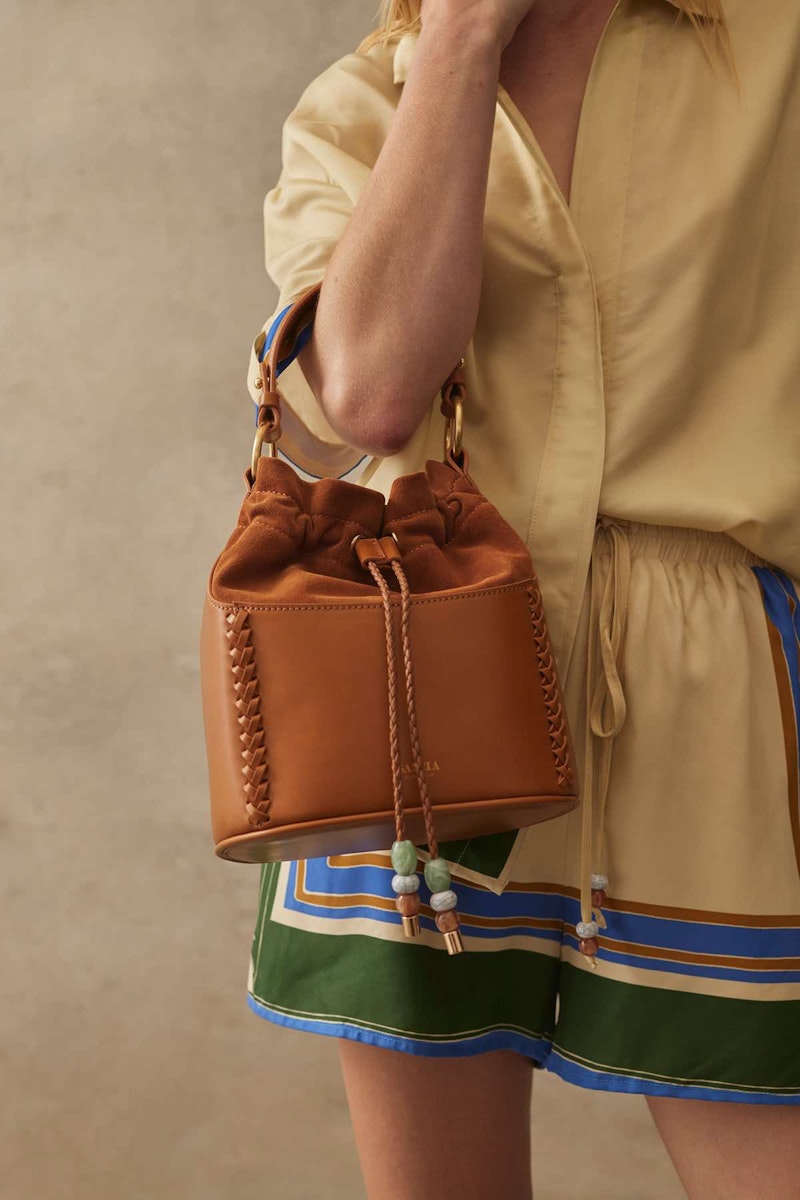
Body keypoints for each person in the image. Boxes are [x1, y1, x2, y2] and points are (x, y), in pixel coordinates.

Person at [243, 1, 800, 1196]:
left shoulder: (772, 50)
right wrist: (458, 43)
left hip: (715, 695)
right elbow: (370, 399)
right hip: (415, 695)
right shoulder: (364, 104)